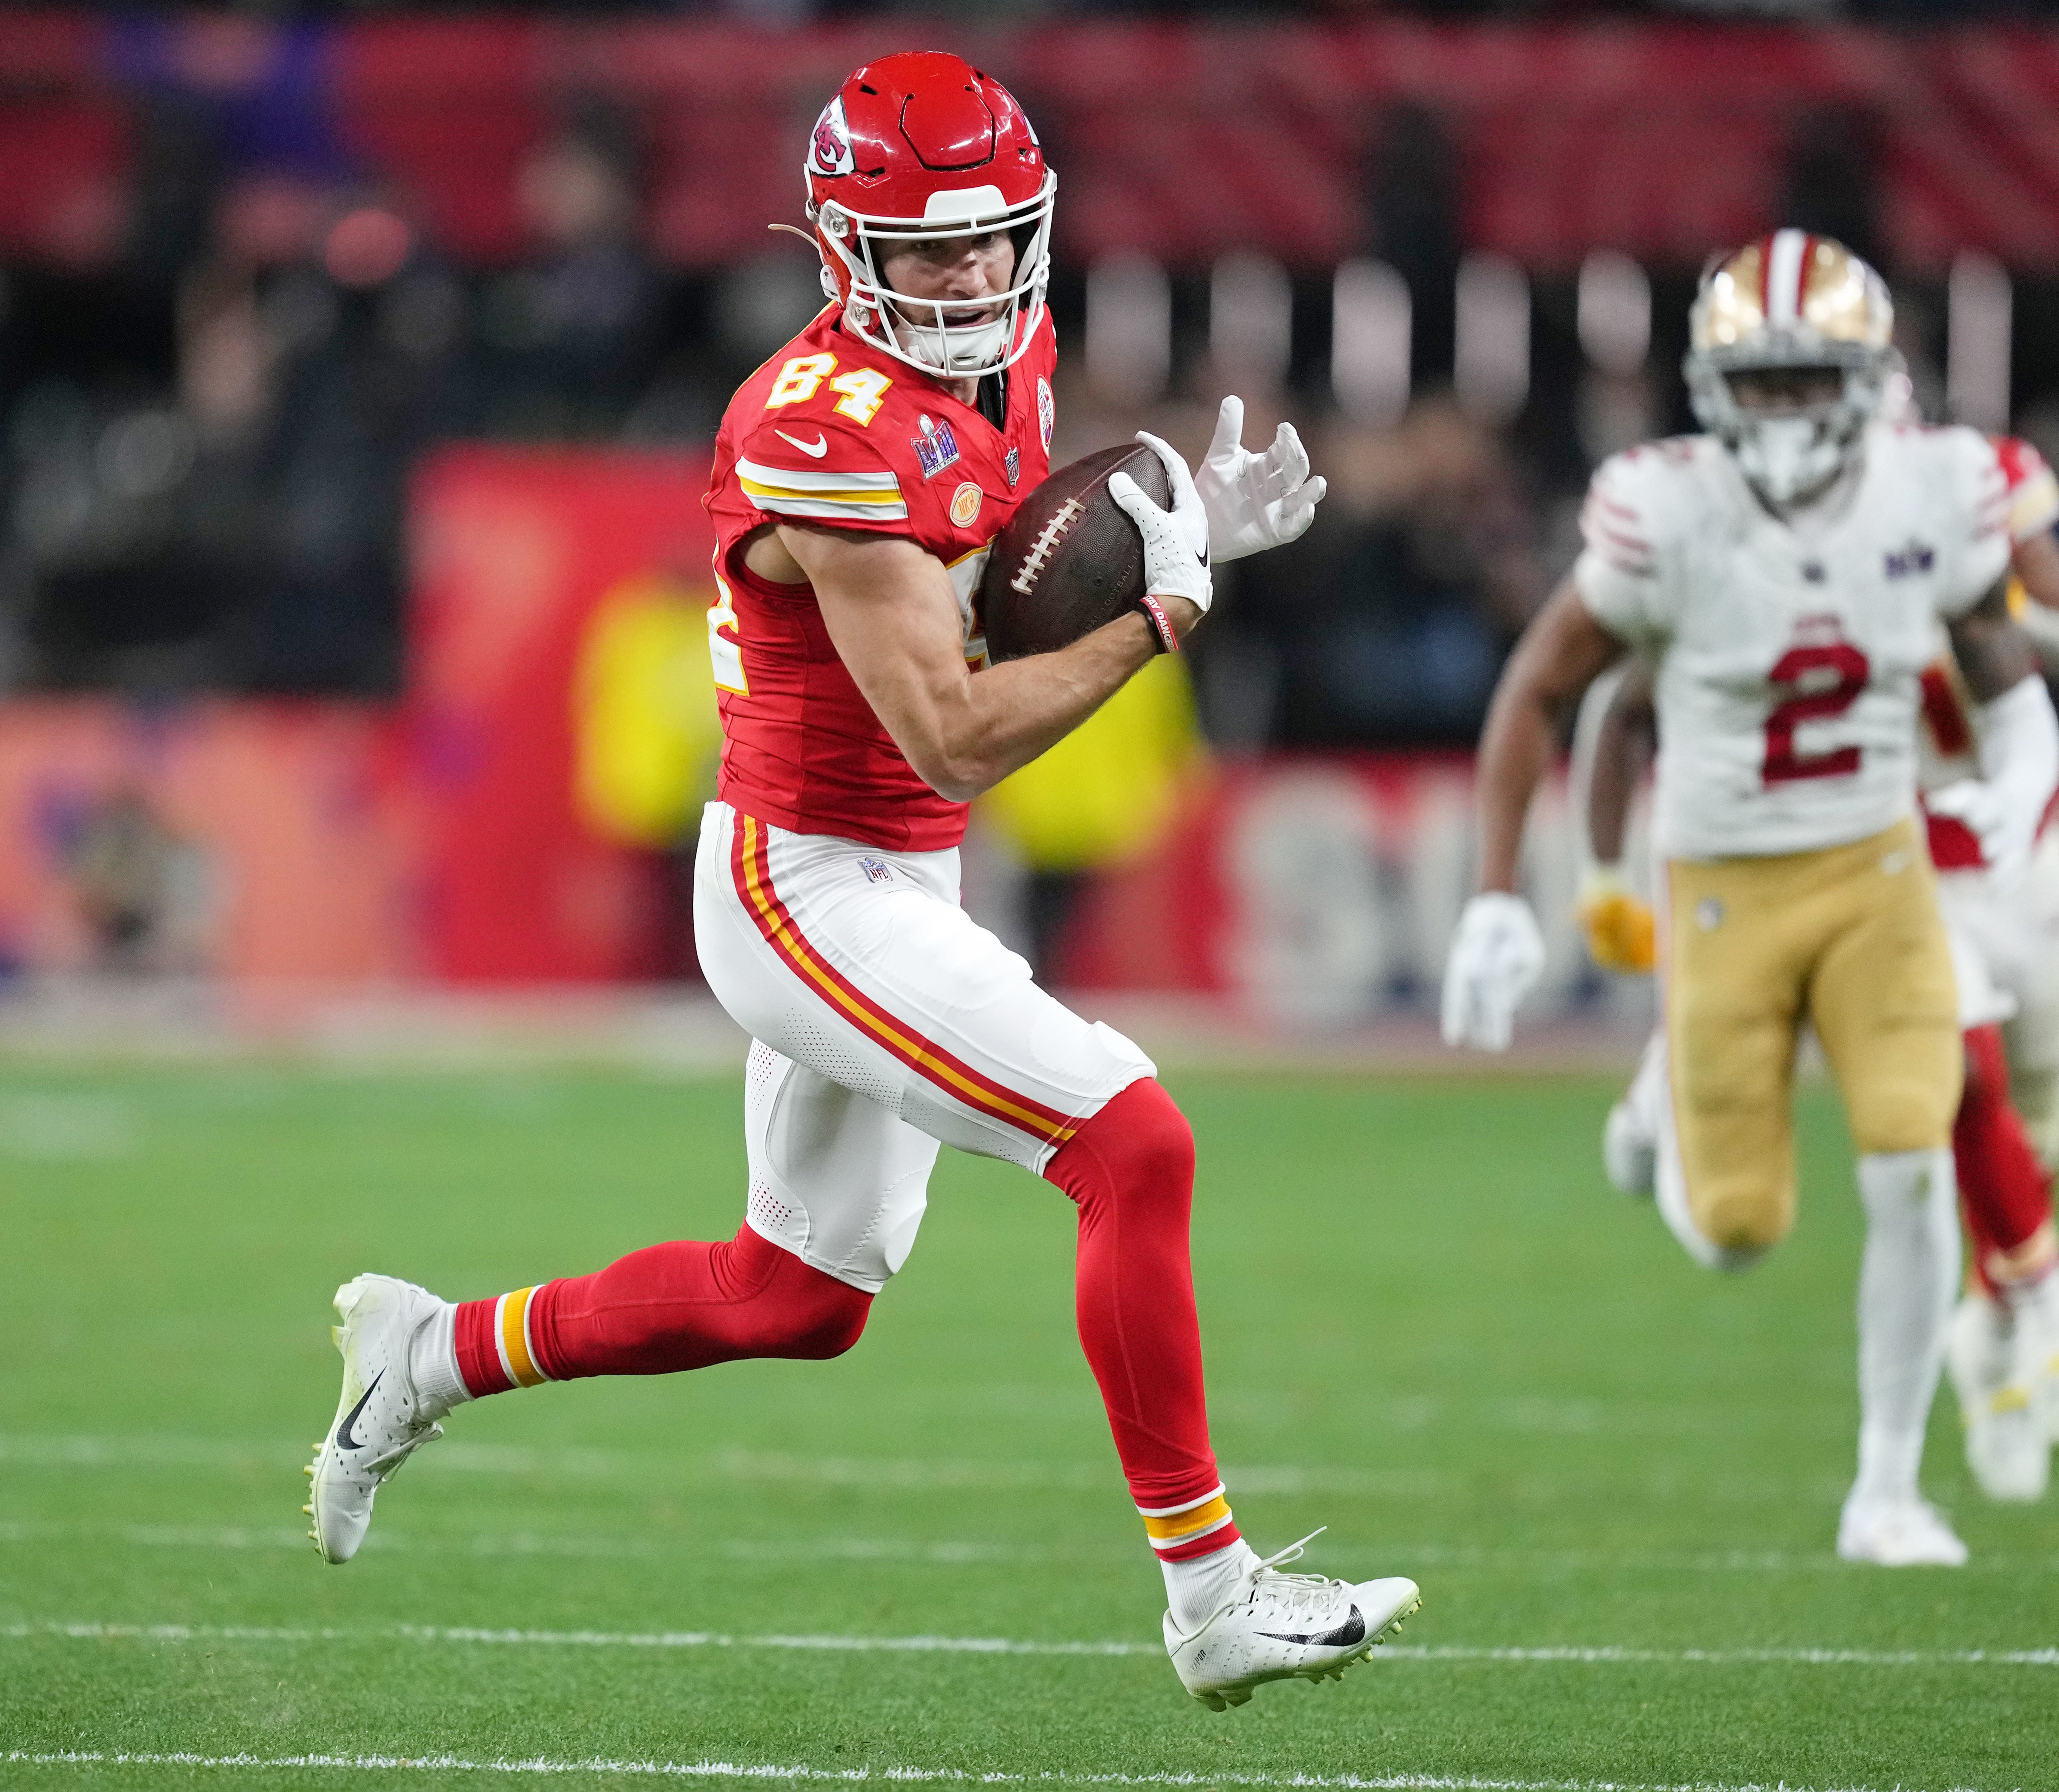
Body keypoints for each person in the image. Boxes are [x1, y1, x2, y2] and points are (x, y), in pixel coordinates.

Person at [302, 52, 1414, 1711]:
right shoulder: (813, 427)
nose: (971, 278)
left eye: (993, 242)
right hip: (805, 885)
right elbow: (958, 731)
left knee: (794, 1297)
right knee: (1131, 1142)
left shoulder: (1007, 356)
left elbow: (992, 596)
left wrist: (1167, 520)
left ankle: (432, 1351)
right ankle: (1210, 1595)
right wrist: (1164, 607)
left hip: (895, 871)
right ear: (839, 249)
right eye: (928, 250)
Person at [1443, 230, 2055, 1567]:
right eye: (1757, 382)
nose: (1781, 411)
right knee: (1733, 1234)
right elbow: (1547, 688)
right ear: (1716, 387)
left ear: (1865, 377)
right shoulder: (1664, 508)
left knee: (1909, 1158)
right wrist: (1501, 894)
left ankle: (1885, 1490)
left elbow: (2007, 674)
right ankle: (1667, 1083)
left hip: (1876, 872)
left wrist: (2021, 772)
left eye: (1806, 379)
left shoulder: (1931, 488)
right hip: (1723, 883)